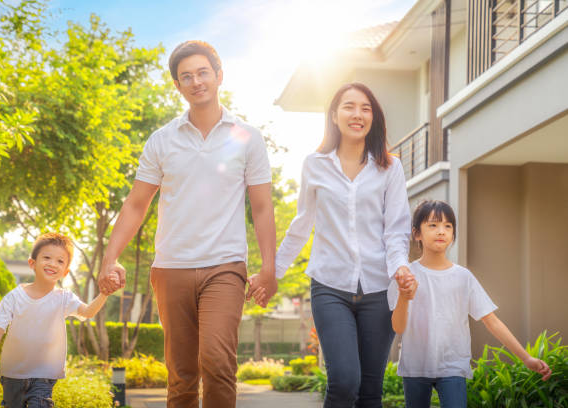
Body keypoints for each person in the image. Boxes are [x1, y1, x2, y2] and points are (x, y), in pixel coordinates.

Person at [97, 40, 277, 408]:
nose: (196, 81)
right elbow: (136, 204)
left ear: (219, 76)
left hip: (225, 266)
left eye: (203, 73)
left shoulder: (248, 138)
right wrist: (109, 258)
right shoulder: (162, 141)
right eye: (186, 77)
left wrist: (269, 268)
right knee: (181, 375)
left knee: (217, 361)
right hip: (171, 268)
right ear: (177, 86)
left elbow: (261, 208)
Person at [273, 82, 414, 408]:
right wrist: (273, 272)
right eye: (349, 106)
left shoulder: (390, 167)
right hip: (330, 286)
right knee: (344, 381)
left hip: (379, 290)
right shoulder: (315, 164)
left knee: (370, 391)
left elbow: (395, 231)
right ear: (334, 116)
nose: (357, 114)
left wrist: (400, 268)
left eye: (366, 108)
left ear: (374, 118)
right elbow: (302, 224)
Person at [389, 200, 552, 408]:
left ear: (453, 234)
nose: (441, 231)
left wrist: (526, 358)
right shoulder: (406, 275)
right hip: (415, 366)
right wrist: (404, 296)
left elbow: (492, 321)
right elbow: (398, 327)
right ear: (417, 233)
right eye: (433, 225)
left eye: (448, 226)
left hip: (453, 367)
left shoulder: (463, 277)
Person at [0, 232, 110, 407]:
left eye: (60, 261)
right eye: (47, 257)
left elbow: (87, 312)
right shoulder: (14, 297)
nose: (52, 264)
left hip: (44, 377)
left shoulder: (64, 298)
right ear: (32, 263)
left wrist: (104, 293)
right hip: (12, 375)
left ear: (65, 271)